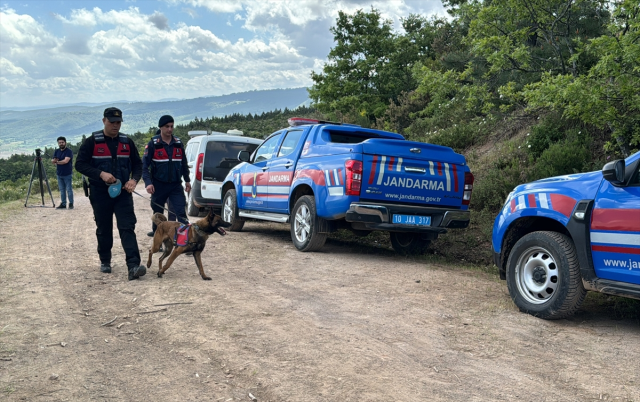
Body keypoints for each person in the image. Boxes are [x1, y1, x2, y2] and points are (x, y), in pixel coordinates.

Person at [75, 107, 147, 281]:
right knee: (104, 228)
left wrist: (134, 180)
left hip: (123, 193)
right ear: (103, 121)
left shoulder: (127, 142)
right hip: (100, 193)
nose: (116, 126)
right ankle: (105, 260)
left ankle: (133, 266)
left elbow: (138, 165)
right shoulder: (92, 142)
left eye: (118, 123)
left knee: (127, 227)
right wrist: (100, 174)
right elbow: (80, 165)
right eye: (112, 122)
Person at [142, 115, 191, 237]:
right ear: (161, 127)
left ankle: (185, 241)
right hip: (159, 184)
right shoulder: (153, 144)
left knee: (181, 213)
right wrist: (148, 183)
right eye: (166, 126)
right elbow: (144, 166)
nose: (169, 129)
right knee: (158, 212)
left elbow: (184, 164)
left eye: (171, 126)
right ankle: (157, 235)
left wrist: (187, 180)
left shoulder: (178, 143)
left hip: (175, 185)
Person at [52, 136, 74, 210]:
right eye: (59, 142)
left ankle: (71, 203)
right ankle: (63, 204)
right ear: (58, 143)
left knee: (69, 189)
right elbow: (54, 159)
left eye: (62, 142)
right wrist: (54, 161)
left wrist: (57, 162)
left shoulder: (69, 151)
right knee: (62, 190)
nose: (61, 144)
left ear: (65, 142)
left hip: (67, 173)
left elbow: (65, 161)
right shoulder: (57, 151)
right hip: (59, 173)